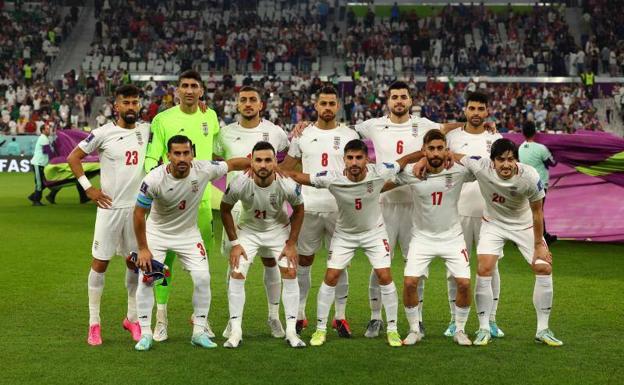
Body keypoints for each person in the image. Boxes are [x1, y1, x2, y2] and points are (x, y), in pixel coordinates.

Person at [353, 81, 462, 338]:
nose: (399, 101)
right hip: (382, 206)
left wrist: (479, 125)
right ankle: (375, 317)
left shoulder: (424, 125)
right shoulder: (373, 125)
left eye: (403, 97)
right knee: (380, 264)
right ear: (387, 101)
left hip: (415, 207)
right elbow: (344, 133)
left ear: (410, 100)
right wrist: (305, 126)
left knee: (416, 267)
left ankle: (418, 319)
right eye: (394, 97)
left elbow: (449, 128)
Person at [283, 139, 410, 347]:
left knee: (385, 276)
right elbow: (298, 176)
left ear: (366, 159)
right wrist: (271, 170)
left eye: (359, 157)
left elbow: (404, 160)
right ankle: (320, 329)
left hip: (374, 233)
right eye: (350, 158)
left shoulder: (379, 172)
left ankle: (393, 330)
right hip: (344, 235)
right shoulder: (332, 178)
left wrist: (422, 157)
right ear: (344, 160)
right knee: (331, 276)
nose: (354, 162)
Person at [133, 135, 249, 351]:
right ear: (168, 156)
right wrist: (143, 248)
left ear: (192, 154)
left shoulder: (204, 169)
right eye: (177, 153)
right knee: (147, 280)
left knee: (203, 278)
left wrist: (262, 165)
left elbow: (233, 163)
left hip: (188, 234)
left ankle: (199, 331)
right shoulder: (154, 179)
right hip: (157, 233)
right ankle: (146, 333)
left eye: (186, 153)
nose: (182, 158)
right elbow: (139, 214)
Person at [458, 139, 563, 346]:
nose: (506, 164)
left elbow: (537, 212)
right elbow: (454, 157)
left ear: (516, 160)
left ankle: (543, 329)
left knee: (543, 267)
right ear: (492, 161)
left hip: (524, 225)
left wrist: (539, 244)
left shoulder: (530, 176)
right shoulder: (480, 166)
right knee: (484, 268)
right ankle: (483, 327)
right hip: (493, 224)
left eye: (510, 159)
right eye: (500, 160)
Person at [67, 84, 150, 345]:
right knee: (100, 263)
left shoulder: (145, 129)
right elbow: (73, 158)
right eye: (125, 102)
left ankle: (132, 318)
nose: (131, 107)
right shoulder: (102, 133)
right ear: (116, 106)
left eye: (135, 102)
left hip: (136, 210)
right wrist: (88, 189)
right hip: (109, 208)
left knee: (134, 262)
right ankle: (94, 323)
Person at [144, 70, 220, 341]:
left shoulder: (209, 116)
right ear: (177, 90)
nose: (189, 90)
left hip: (200, 206)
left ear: (201, 91)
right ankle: (161, 317)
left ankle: (200, 320)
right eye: (184, 86)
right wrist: (162, 190)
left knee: (201, 268)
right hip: (168, 207)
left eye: (194, 86)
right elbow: (151, 159)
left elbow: (217, 149)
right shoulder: (163, 119)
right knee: (164, 267)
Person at [280, 85, 359, 337]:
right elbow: (287, 168)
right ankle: (301, 315)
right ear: (315, 106)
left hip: (340, 209)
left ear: (338, 106)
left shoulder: (350, 134)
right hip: (309, 208)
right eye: (322, 103)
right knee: (304, 261)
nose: (327, 107)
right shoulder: (301, 135)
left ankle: (340, 317)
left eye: (331, 103)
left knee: (340, 263)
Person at [214, 86, 291, 339]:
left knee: (272, 261)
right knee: (234, 264)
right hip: (236, 208)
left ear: (261, 105)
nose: (248, 104)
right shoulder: (224, 133)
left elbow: (291, 157)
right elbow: (215, 161)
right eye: (243, 100)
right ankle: (232, 321)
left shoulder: (276, 132)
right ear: (237, 105)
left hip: (269, 208)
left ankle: (273, 316)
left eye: (253, 100)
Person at [393, 129, 474, 346]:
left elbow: (482, 165)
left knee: (464, 284)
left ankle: (460, 330)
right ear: (424, 150)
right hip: (421, 238)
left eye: (440, 148)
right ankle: (414, 330)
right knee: (410, 283)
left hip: (453, 237)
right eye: (431, 148)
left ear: (446, 150)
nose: (436, 153)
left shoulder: (458, 171)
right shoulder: (412, 172)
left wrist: (454, 156)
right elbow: (387, 175)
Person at [221, 141, 306, 348]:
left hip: (277, 230)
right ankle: (236, 330)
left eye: (268, 160)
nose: (263, 165)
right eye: (258, 160)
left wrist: (292, 243)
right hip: (249, 230)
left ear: (275, 162)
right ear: (251, 160)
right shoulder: (240, 182)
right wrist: (235, 243)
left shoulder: (286, 183)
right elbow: (225, 209)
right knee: (237, 271)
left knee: (290, 272)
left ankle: (291, 331)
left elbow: (300, 209)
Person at [444, 91, 504, 338]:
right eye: (472, 108)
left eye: (481, 109)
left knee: (490, 268)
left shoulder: (496, 138)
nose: (476, 113)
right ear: (465, 110)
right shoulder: (452, 137)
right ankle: (452, 320)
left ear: (487, 111)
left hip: (489, 213)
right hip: (456, 211)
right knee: (454, 269)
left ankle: (491, 320)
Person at [519, 121, 557, 245]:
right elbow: (552, 163)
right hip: (540, 183)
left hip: (525, 183)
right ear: (535, 132)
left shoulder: (520, 148)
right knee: (538, 210)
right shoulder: (541, 148)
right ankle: (542, 236)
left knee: (528, 210)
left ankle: (523, 236)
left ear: (523, 133)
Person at [28, 123, 55, 206]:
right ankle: (36, 201)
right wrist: (55, 160)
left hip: (41, 164)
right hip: (38, 163)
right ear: (43, 130)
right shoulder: (43, 138)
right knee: (40, 183)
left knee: (43, 183)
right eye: (47, 129)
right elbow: (47, 151)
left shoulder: (45, 138)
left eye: (49, 129)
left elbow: (45, 151)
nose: (49, 130)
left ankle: (33, 196)